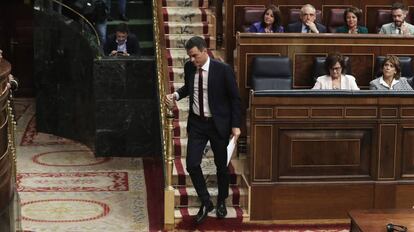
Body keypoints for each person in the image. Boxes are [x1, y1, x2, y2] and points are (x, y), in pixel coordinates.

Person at [164, 36, 241, 224]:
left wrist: (235, 125)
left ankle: (221, 200)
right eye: (190, 56)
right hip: (197, 124)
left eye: (195, 56)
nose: (192, 60)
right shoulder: (191, 67)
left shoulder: (223, 70)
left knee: (221, 165)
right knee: (191, 164)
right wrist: (176, 94)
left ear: (204, 51)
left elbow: (235, 99)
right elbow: (190, 88)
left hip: (218, 124)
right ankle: (206, 202)